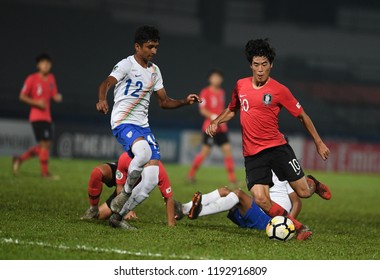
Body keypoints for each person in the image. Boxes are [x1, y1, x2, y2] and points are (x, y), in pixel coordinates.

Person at [206, 39, 331, 240]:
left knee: (303, 193)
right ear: (251, 65)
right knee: (261, 199)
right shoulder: (240, 85)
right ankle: (298, 228)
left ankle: (312, 183)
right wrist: (216, 121)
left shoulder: (280, 90)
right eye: (256, 65)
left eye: (264, 64)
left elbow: (302, 116)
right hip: (253, 154)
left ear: (271, 65)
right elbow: (232, 109)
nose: (260, 69)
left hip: (277, 148)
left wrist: (318, 142)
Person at [96, 26, 201, 228]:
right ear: (137, 46)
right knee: (143, 153)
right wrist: (102, 99)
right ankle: (125, 193)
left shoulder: (154, 71)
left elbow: (164, 102)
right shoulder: (126, 65)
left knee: (151, 179)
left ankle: (117, 217)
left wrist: (184, 101)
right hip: (123, 121)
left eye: (156, 47)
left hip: (143, 127)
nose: (154, 51)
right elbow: (106, 83)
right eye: (149, 47)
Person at [175, 172, 301, 231]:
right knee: (225, 191)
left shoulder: (286, 176)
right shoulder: (262, 170)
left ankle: (198, 211)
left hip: (271, 221)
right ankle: (185, 208)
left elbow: (297, 203)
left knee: (239, 194)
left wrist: (287, 225)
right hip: (258, 213)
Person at [81, 152, 175, 227]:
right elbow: (120, 187)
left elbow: (168, 197)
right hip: (122, 180)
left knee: (100, 216)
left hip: (131, 189)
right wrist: (127, 210)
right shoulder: (126, 157)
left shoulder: (157, 169)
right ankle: (93, 208)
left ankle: (105, 214)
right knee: (97, 173)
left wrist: (171, 225)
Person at [12, 53, 62, 179]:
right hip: (36, 117)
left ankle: (19, 159)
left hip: (47, 117)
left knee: (45, 146)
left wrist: (57, 97)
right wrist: (36, 103)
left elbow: (54, 93)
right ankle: (45, 173)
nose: (46, 65)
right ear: (38, 65)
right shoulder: (32, 78)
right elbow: (22, 96)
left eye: (48, 63)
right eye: (43, 63)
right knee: (45, 145)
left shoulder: (51, 78)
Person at [188, 70, 236, 184]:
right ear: (210, 79)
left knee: (227, 150)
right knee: (205, 152)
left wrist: (222, 118)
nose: (217, 80)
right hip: (209, 127)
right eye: (214, 77)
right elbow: (202, 109)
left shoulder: (221, 92)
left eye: (219, 78)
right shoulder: (205, 92)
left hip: (221, 128)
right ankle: (191, 175)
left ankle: (232, 179)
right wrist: (213, 116)